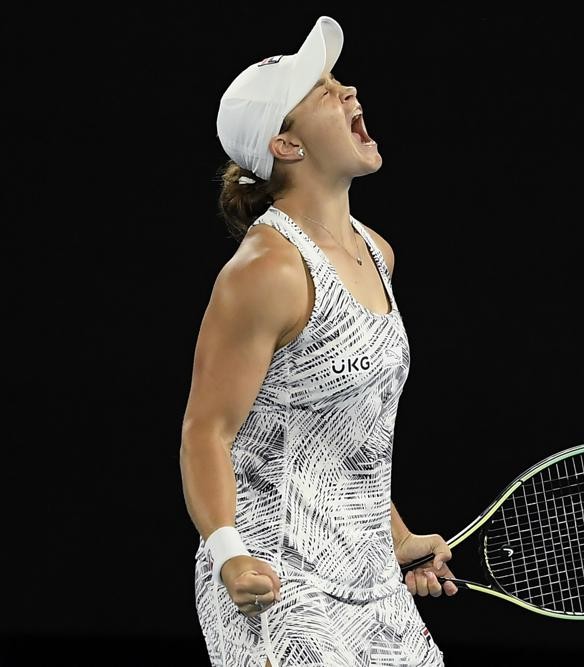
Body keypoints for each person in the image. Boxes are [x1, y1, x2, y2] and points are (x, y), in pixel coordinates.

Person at [179, 16, 457, 667]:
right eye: (323, 90)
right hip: (275, 579)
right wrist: (228, 553)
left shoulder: (377, 252)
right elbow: (205, 431)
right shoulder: (267, 271)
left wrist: (398, 538)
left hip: (370, 579)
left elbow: (348, 437)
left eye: (340, 80)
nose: (349, 90)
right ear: (287, 144)